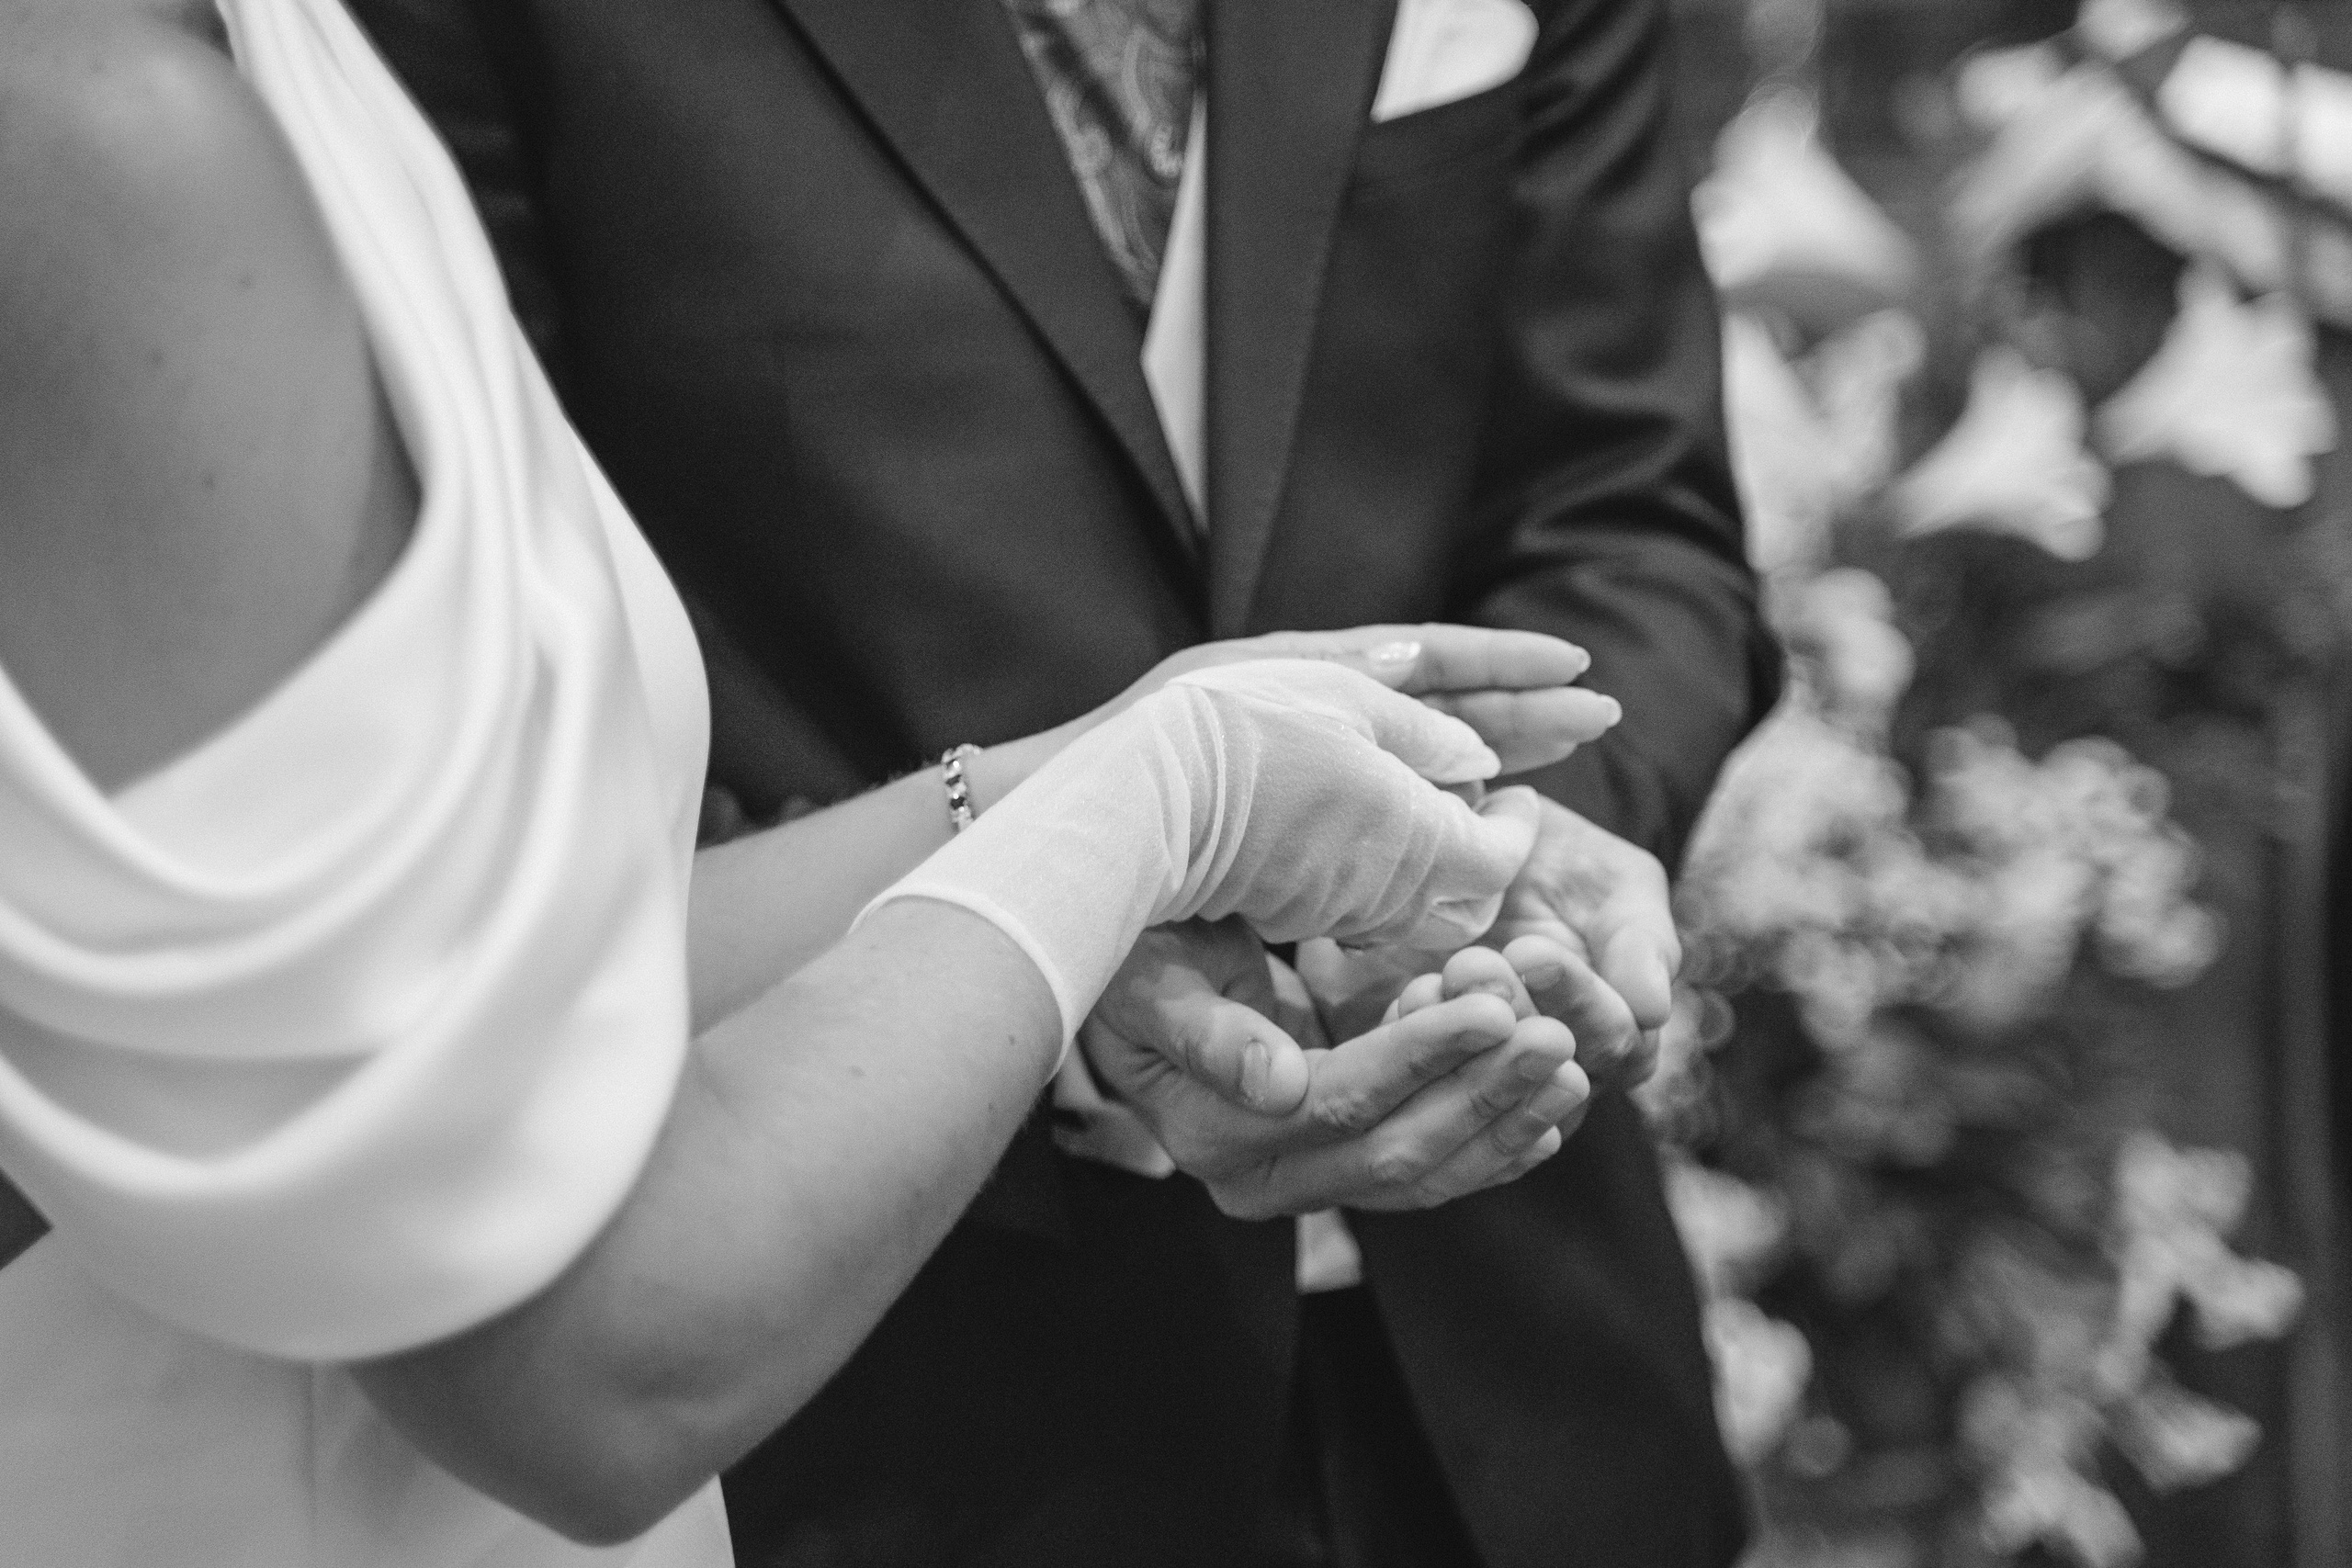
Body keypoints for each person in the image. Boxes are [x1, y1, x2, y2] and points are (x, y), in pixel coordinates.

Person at [0, 2, 1630, 1564]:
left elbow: (523, 995)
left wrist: (1063, 785)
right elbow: (593, 1369)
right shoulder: (106, 135)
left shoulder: (266, 48)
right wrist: (1163, 804)